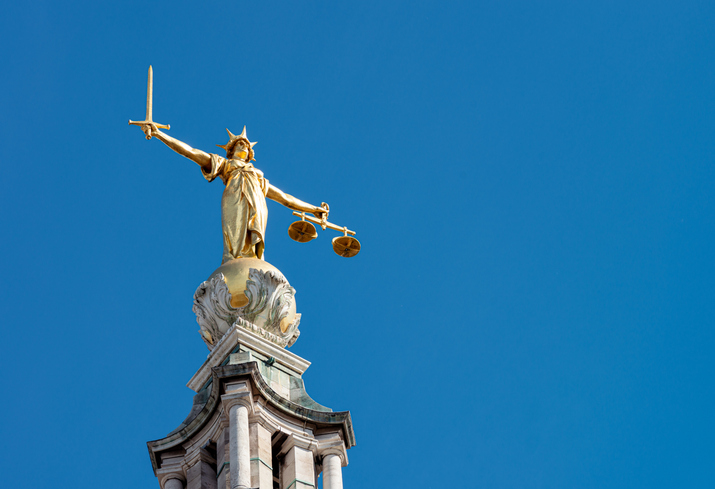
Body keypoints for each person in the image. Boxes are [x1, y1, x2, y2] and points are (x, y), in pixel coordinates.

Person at [139, 123, 327, 263]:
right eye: (239, 145)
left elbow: (285, 198)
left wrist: (313, 210)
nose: (244, 147)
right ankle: (234, 262)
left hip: (257, 204)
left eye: (246, 146)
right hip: (234, 199)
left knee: (253, 245)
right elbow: (191, 152)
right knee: (235, 240)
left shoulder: (258, 176)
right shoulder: (225, 165)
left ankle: (253, 260)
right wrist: (159, 134)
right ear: (231, 150)